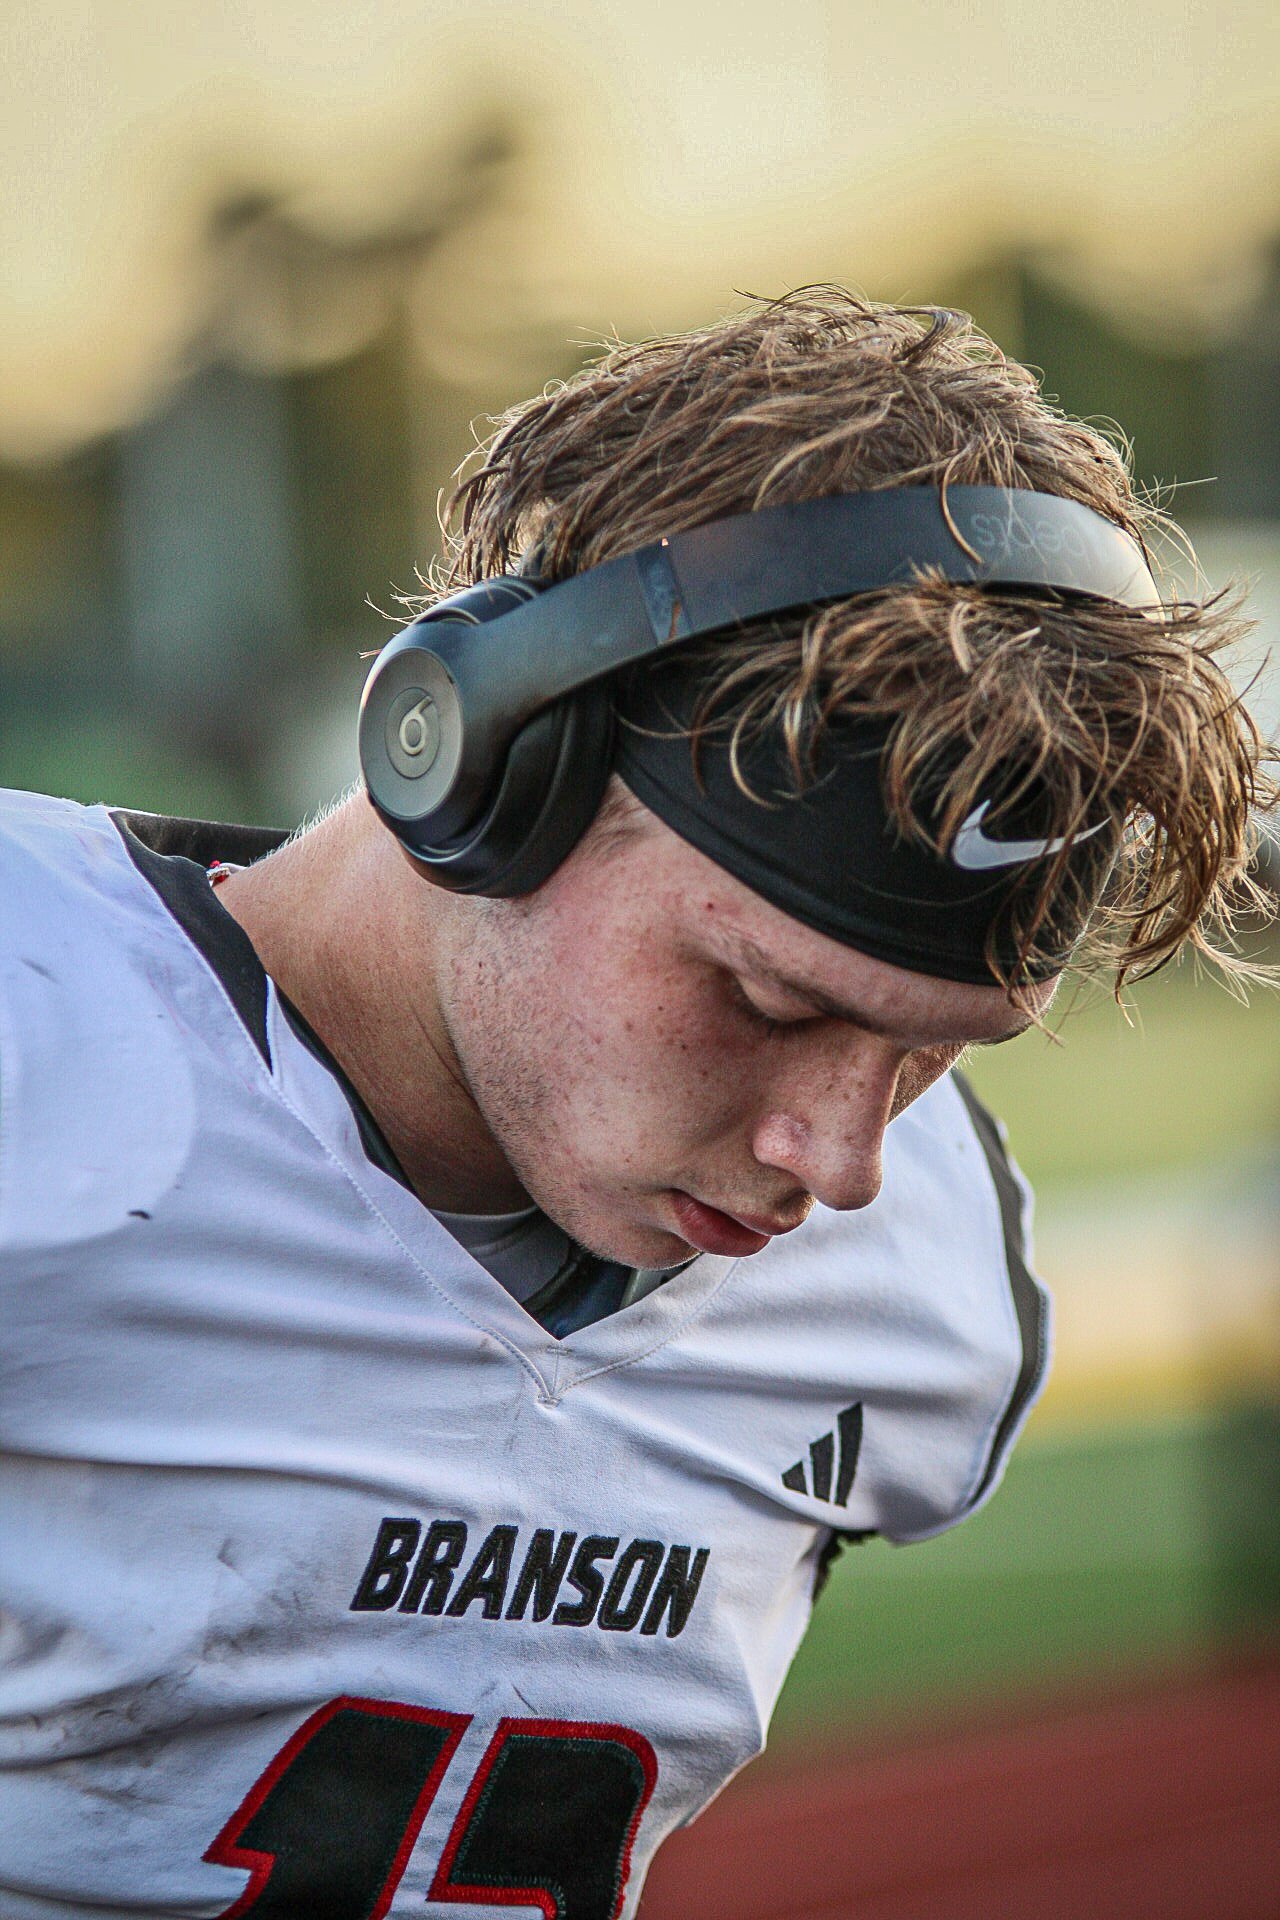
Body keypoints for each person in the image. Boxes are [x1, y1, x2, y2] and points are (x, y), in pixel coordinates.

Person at [0, 289, 1269, 1919]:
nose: (846, 1159)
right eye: (771, 1000)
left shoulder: (925, 1283)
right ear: (483, 769)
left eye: (933, 1047)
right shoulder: (41, 1034)